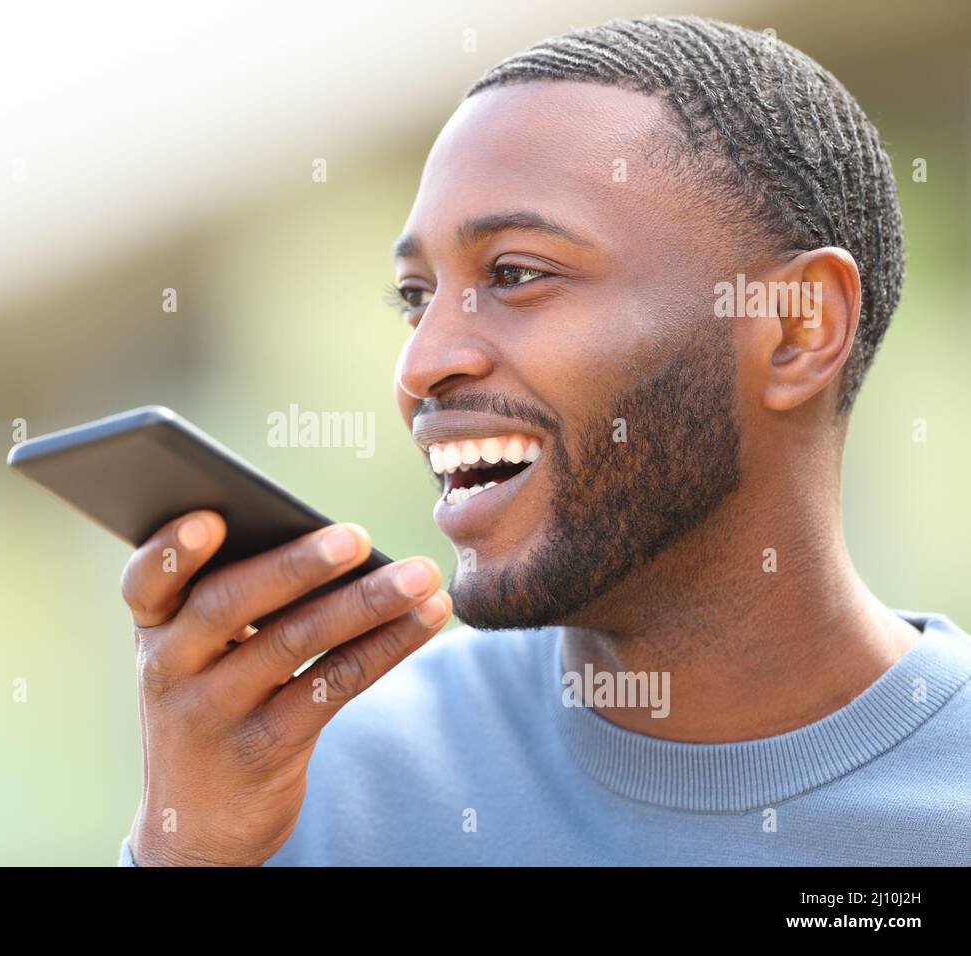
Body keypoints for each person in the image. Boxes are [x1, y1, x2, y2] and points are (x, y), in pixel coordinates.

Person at [117, 15, 971, 866]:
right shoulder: (313, 776)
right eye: (415, 296)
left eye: (516, 274)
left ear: (794, 328)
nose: (421, 365)